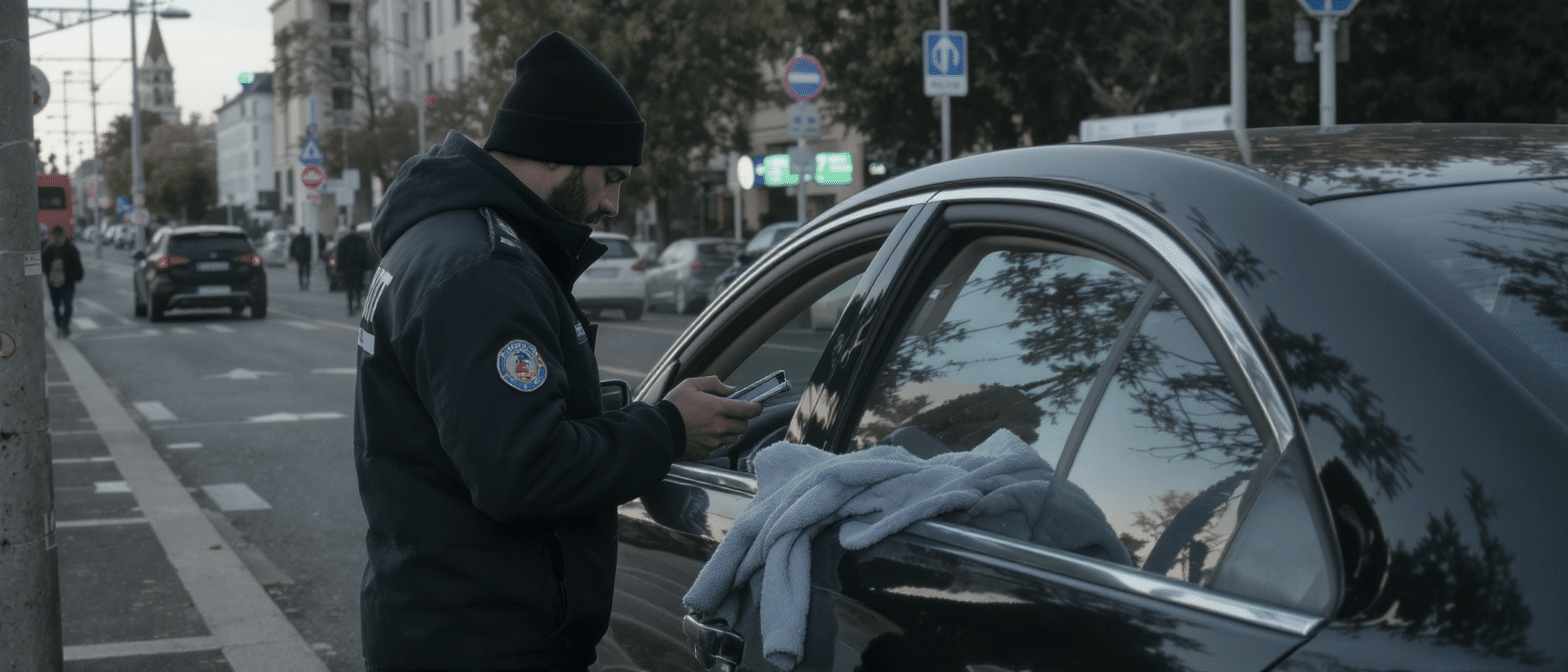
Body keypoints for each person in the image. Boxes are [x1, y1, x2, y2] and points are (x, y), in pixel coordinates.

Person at [353, 31, 761, 672]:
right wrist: (670, 429)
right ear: (563, 151)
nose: (611, 201)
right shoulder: (481, 270)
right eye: (610, 177)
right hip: (482, 641)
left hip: (439, 622)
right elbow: (524, 471)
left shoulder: (441, 240)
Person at [42, 225, 85, 338]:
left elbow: (77, 264)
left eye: (58, 235)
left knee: (67, 304)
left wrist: (77, 276)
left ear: (62, 235)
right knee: (56, 306)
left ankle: (65, 325)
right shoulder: (48, 250)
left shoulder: (70, 248)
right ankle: (59, 325)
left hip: (68, 282)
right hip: (53, 282)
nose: (56, 237)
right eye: (55, 235)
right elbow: (44, 266)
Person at [335, 226, 371, 314]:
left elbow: (340, 255)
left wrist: (339, 268)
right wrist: (366, 266)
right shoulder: (360, 240)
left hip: (348, 268)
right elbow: (365, 254)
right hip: (359, 268)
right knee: (358, 287)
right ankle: (357, 304)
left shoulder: (344, 241)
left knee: (349, 288)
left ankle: (351, 306)